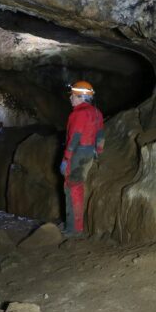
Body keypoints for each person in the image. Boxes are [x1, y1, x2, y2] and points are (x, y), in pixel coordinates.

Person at [60, 81, 105, 237]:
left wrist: (66, 158)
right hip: (89, 152)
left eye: (73, 96)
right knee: (77, 187)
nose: (71, 99)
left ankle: (73, 229)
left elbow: (74, 138)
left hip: (77, 153)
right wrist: (97, 151)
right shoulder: (97, 113)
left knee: (71, 188)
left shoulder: (78, 113)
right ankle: (75, 226)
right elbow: (100, 135)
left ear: (81, 97)